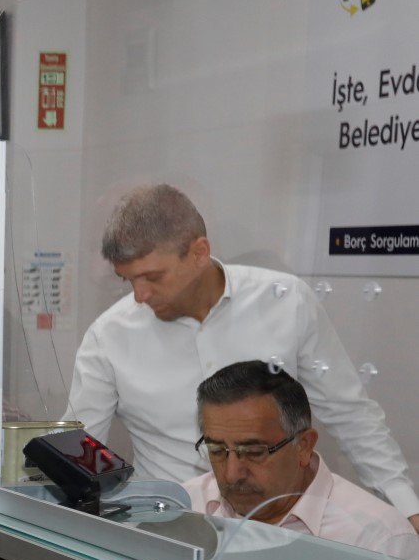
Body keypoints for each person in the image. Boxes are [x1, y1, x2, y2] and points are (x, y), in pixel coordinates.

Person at [65, 184, 419, 533]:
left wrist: (406, 508)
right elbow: (75, 452)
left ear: (199, 252)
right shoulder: (108, 336)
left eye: (152, 277)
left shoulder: (286, 301)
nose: (140, 295)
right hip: (166, 534)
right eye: (128, 280)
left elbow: (351, 415)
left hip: (280, 527)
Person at [183, 361, 419, 560]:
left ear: (303, 447)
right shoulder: (185, 508)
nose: (232, 473)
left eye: (254, 451)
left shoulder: (378, 542)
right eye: (216, 450)